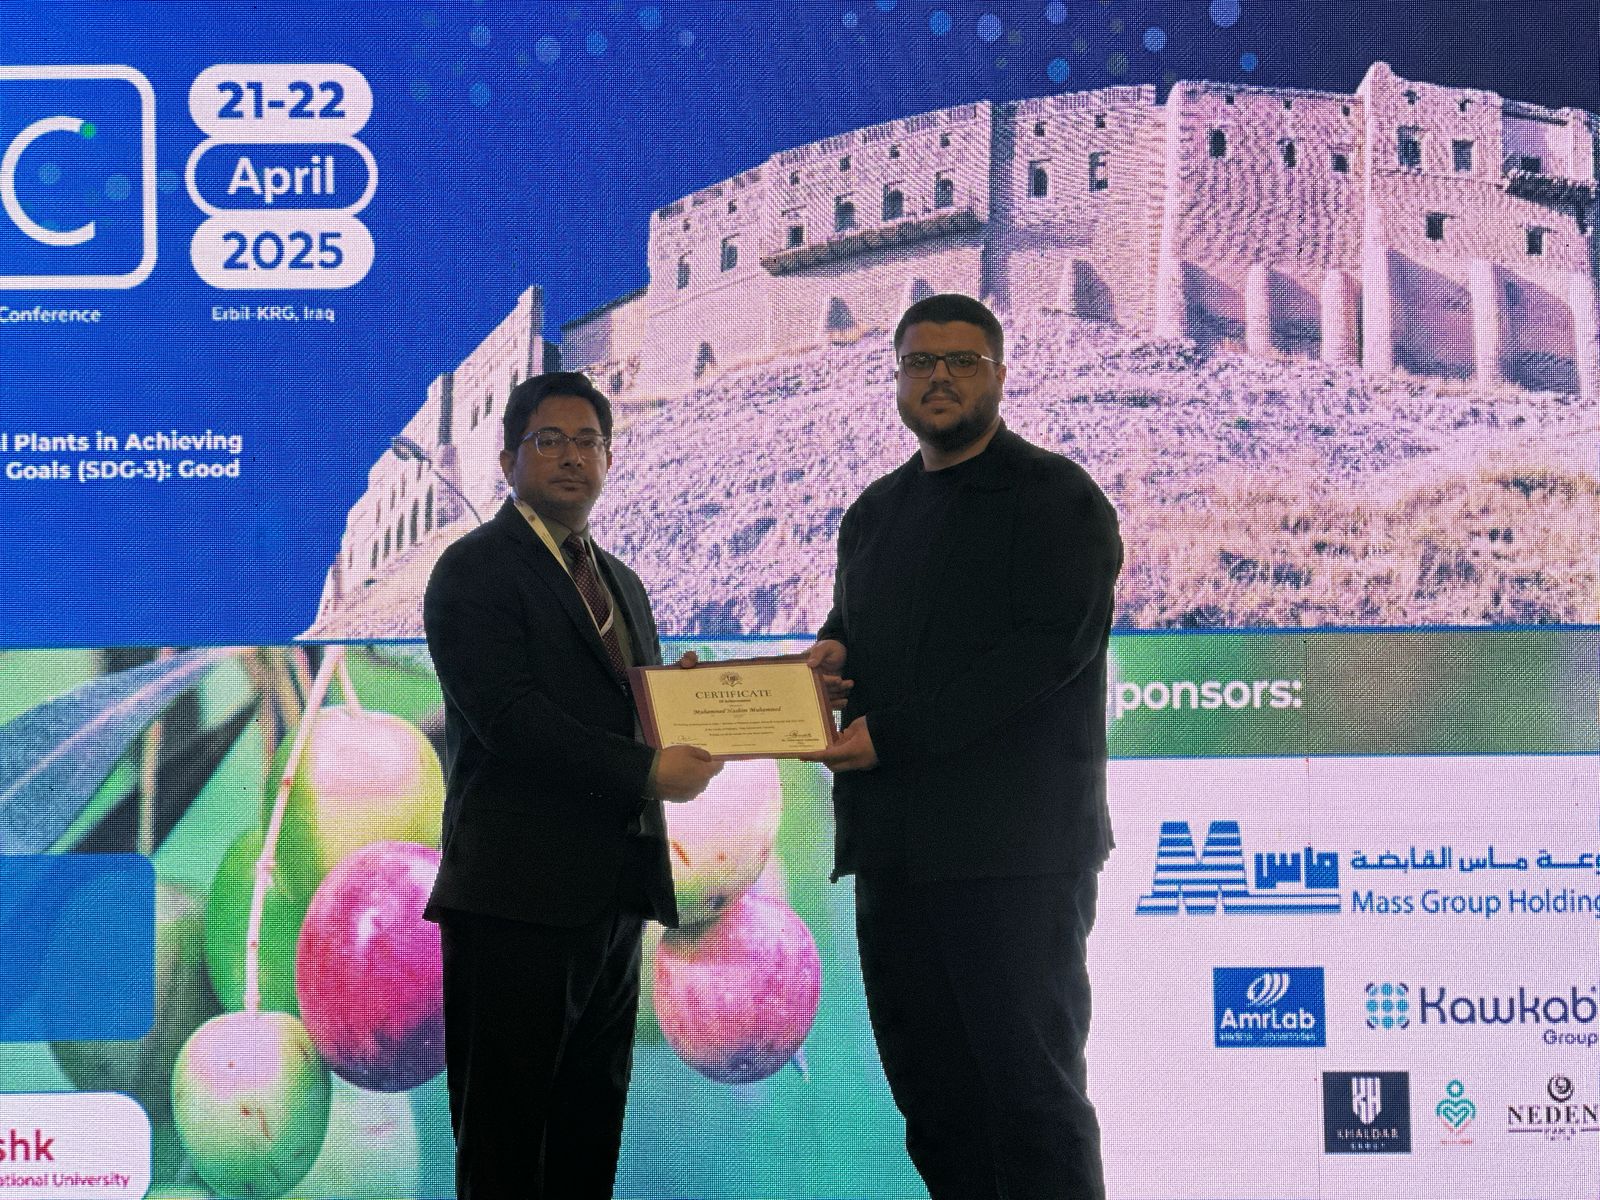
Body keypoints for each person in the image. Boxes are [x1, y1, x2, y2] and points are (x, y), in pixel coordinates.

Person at [805, 294, 1123, 1200]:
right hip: (895, 854)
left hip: (1014, 856)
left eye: (961, 361)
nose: (938, 377)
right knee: (934, 1105)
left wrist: (893, 735)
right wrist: (829, 657)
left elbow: (1046, 653)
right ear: (898, 379)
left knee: (1031, 1102)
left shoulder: (1057, 497)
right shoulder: (873, 513)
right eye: (920, 362)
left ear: (999, 376)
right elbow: (858, 630)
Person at [422, 371, 721, 1199]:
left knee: (589, 1145)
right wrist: (648, 770)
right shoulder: (472, 570)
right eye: (548, 440)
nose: (571, 457)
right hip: (515, 902)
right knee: (504, 1150)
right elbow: (511, 720)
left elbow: (628, 707)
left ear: (609, 460)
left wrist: (683, 704)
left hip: (614, 896)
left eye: (588, 442)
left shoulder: (621, 581)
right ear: (508, 459)